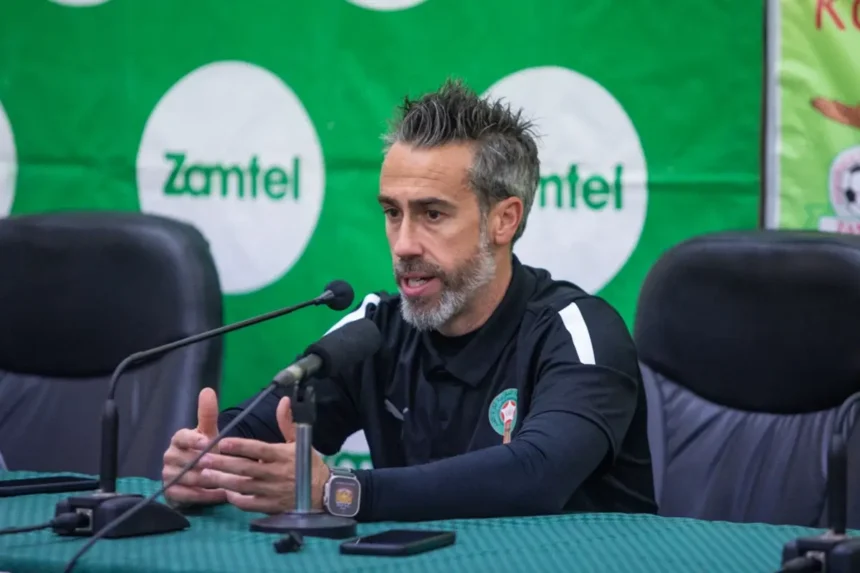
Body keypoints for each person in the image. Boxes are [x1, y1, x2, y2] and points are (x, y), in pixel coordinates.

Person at [161, 78, 658, 522]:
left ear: (504, 219)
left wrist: (341, 492)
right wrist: (210, 462)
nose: (403, 244)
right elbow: (266, 426)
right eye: (392, 213)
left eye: (433, 214)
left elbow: (537, 474)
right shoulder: (373, 327)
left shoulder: (579, 331)